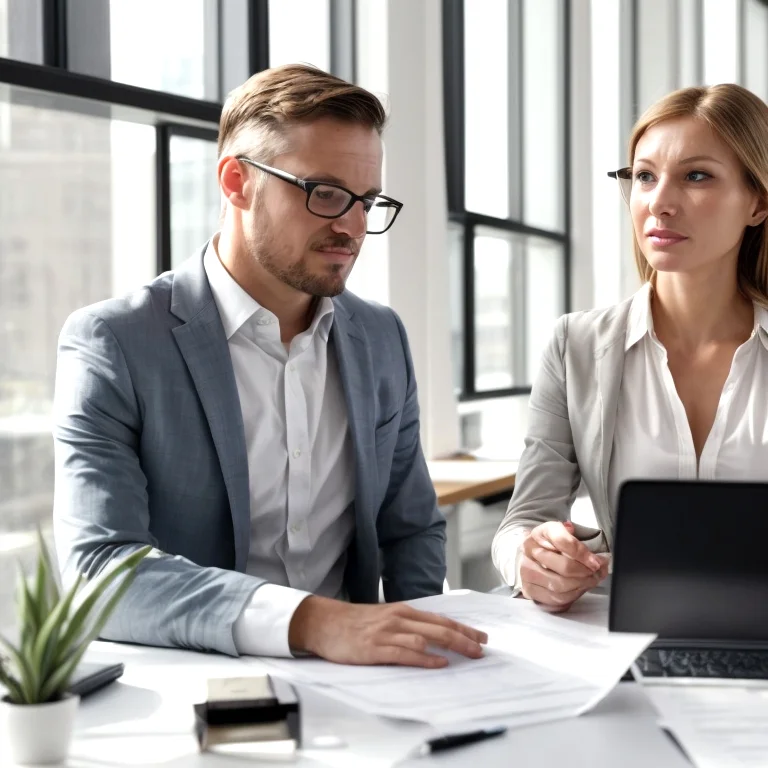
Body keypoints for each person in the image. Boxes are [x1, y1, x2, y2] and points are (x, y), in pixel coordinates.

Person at [53, 64, 486, 667]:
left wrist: (436, 660)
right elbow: (100, 569)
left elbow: (409, 527)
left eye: (367, 201)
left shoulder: (380, 337)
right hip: (205, 685)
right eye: (326, 193)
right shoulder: (117, 343)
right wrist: (312, 622)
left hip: (364, 682)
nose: (353, 226)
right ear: (236, 181)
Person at [492, 83, 768, 612]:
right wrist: (532, 559)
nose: (659, 203)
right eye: (644, 176)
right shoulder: (575, 345)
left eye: (696, 176)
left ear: (757, 202)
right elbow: (521, 522)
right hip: (626, 636)